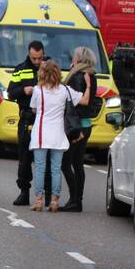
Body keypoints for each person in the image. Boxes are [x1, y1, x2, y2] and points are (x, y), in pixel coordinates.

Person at [29, 59, 90, 211]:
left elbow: (34, 109)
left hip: (41, 134)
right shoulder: (65, 90)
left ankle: (38, 200)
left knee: (40, 168)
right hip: (58, 135)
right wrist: (88, 85)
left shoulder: (38, 90)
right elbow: (84, 100)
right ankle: (54, 201)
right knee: (56, 169)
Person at [60, 46, 99, 212]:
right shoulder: (92, 75)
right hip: (86, 124)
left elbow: (74, 101)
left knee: (65, 162)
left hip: (76, 125)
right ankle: (78, 200)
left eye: (74, 57)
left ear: (78, 59)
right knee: (77, 163)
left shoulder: (77, 76)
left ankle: (74, 199)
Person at [7, 40, 45, 206]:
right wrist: (23, 90)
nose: (37, 62)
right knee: (24, 157)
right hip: (27, 118)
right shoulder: (20, 69)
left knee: (46, 158)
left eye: (39, 58)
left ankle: (48, 194)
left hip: (45, 119)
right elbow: (10, 93)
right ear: (29, 54)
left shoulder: (49, 67)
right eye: (34, 58)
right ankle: (24, 192)